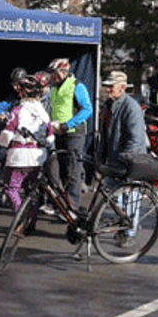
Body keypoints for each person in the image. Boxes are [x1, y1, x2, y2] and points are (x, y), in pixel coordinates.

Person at [0, 75, 56, 211]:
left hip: (18, 158)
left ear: (22, 93)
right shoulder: (44, 113)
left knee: (11, 189)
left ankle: (21, 217)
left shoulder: (17, 111)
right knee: (32, 192)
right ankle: (31, 219)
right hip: (38, 159)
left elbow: (7, 135)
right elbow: (50, 137)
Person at [46, 58, 94, 211]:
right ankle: (62, 204)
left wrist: (67, 125)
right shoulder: (54, 89)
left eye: (55, 73)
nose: (52, 76)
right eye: (51, 74)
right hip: (58, 132)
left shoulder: (76, 86)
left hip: (74, 133)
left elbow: (87, 109)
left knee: (73, 170)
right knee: (60, 170)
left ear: (64, 72)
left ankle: (73, 207)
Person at [98, 71, 149, 172]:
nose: (107, 90)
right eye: (107, 86)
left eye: (111, 86)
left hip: (129, 166)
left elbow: (135, 140)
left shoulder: (131, 107)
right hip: (114, 163)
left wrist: (124, 164)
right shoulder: (108, 105)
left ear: (122, 87)